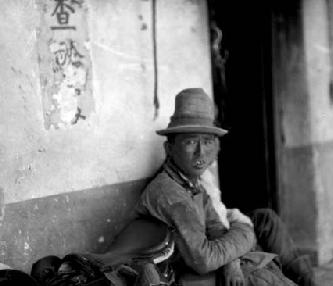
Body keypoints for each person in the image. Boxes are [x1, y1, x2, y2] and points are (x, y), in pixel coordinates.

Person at [135, 88, 315, 286]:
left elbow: (217, 229)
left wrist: (232, 261)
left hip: (207, 267)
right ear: (169, 148)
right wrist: (245, 232)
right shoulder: (169, 192)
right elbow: (203, 259)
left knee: (265, 269)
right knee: (260, 276)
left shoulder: (192, 183)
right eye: (190, 141)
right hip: (183, 276)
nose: (200, 152)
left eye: (207, 142)